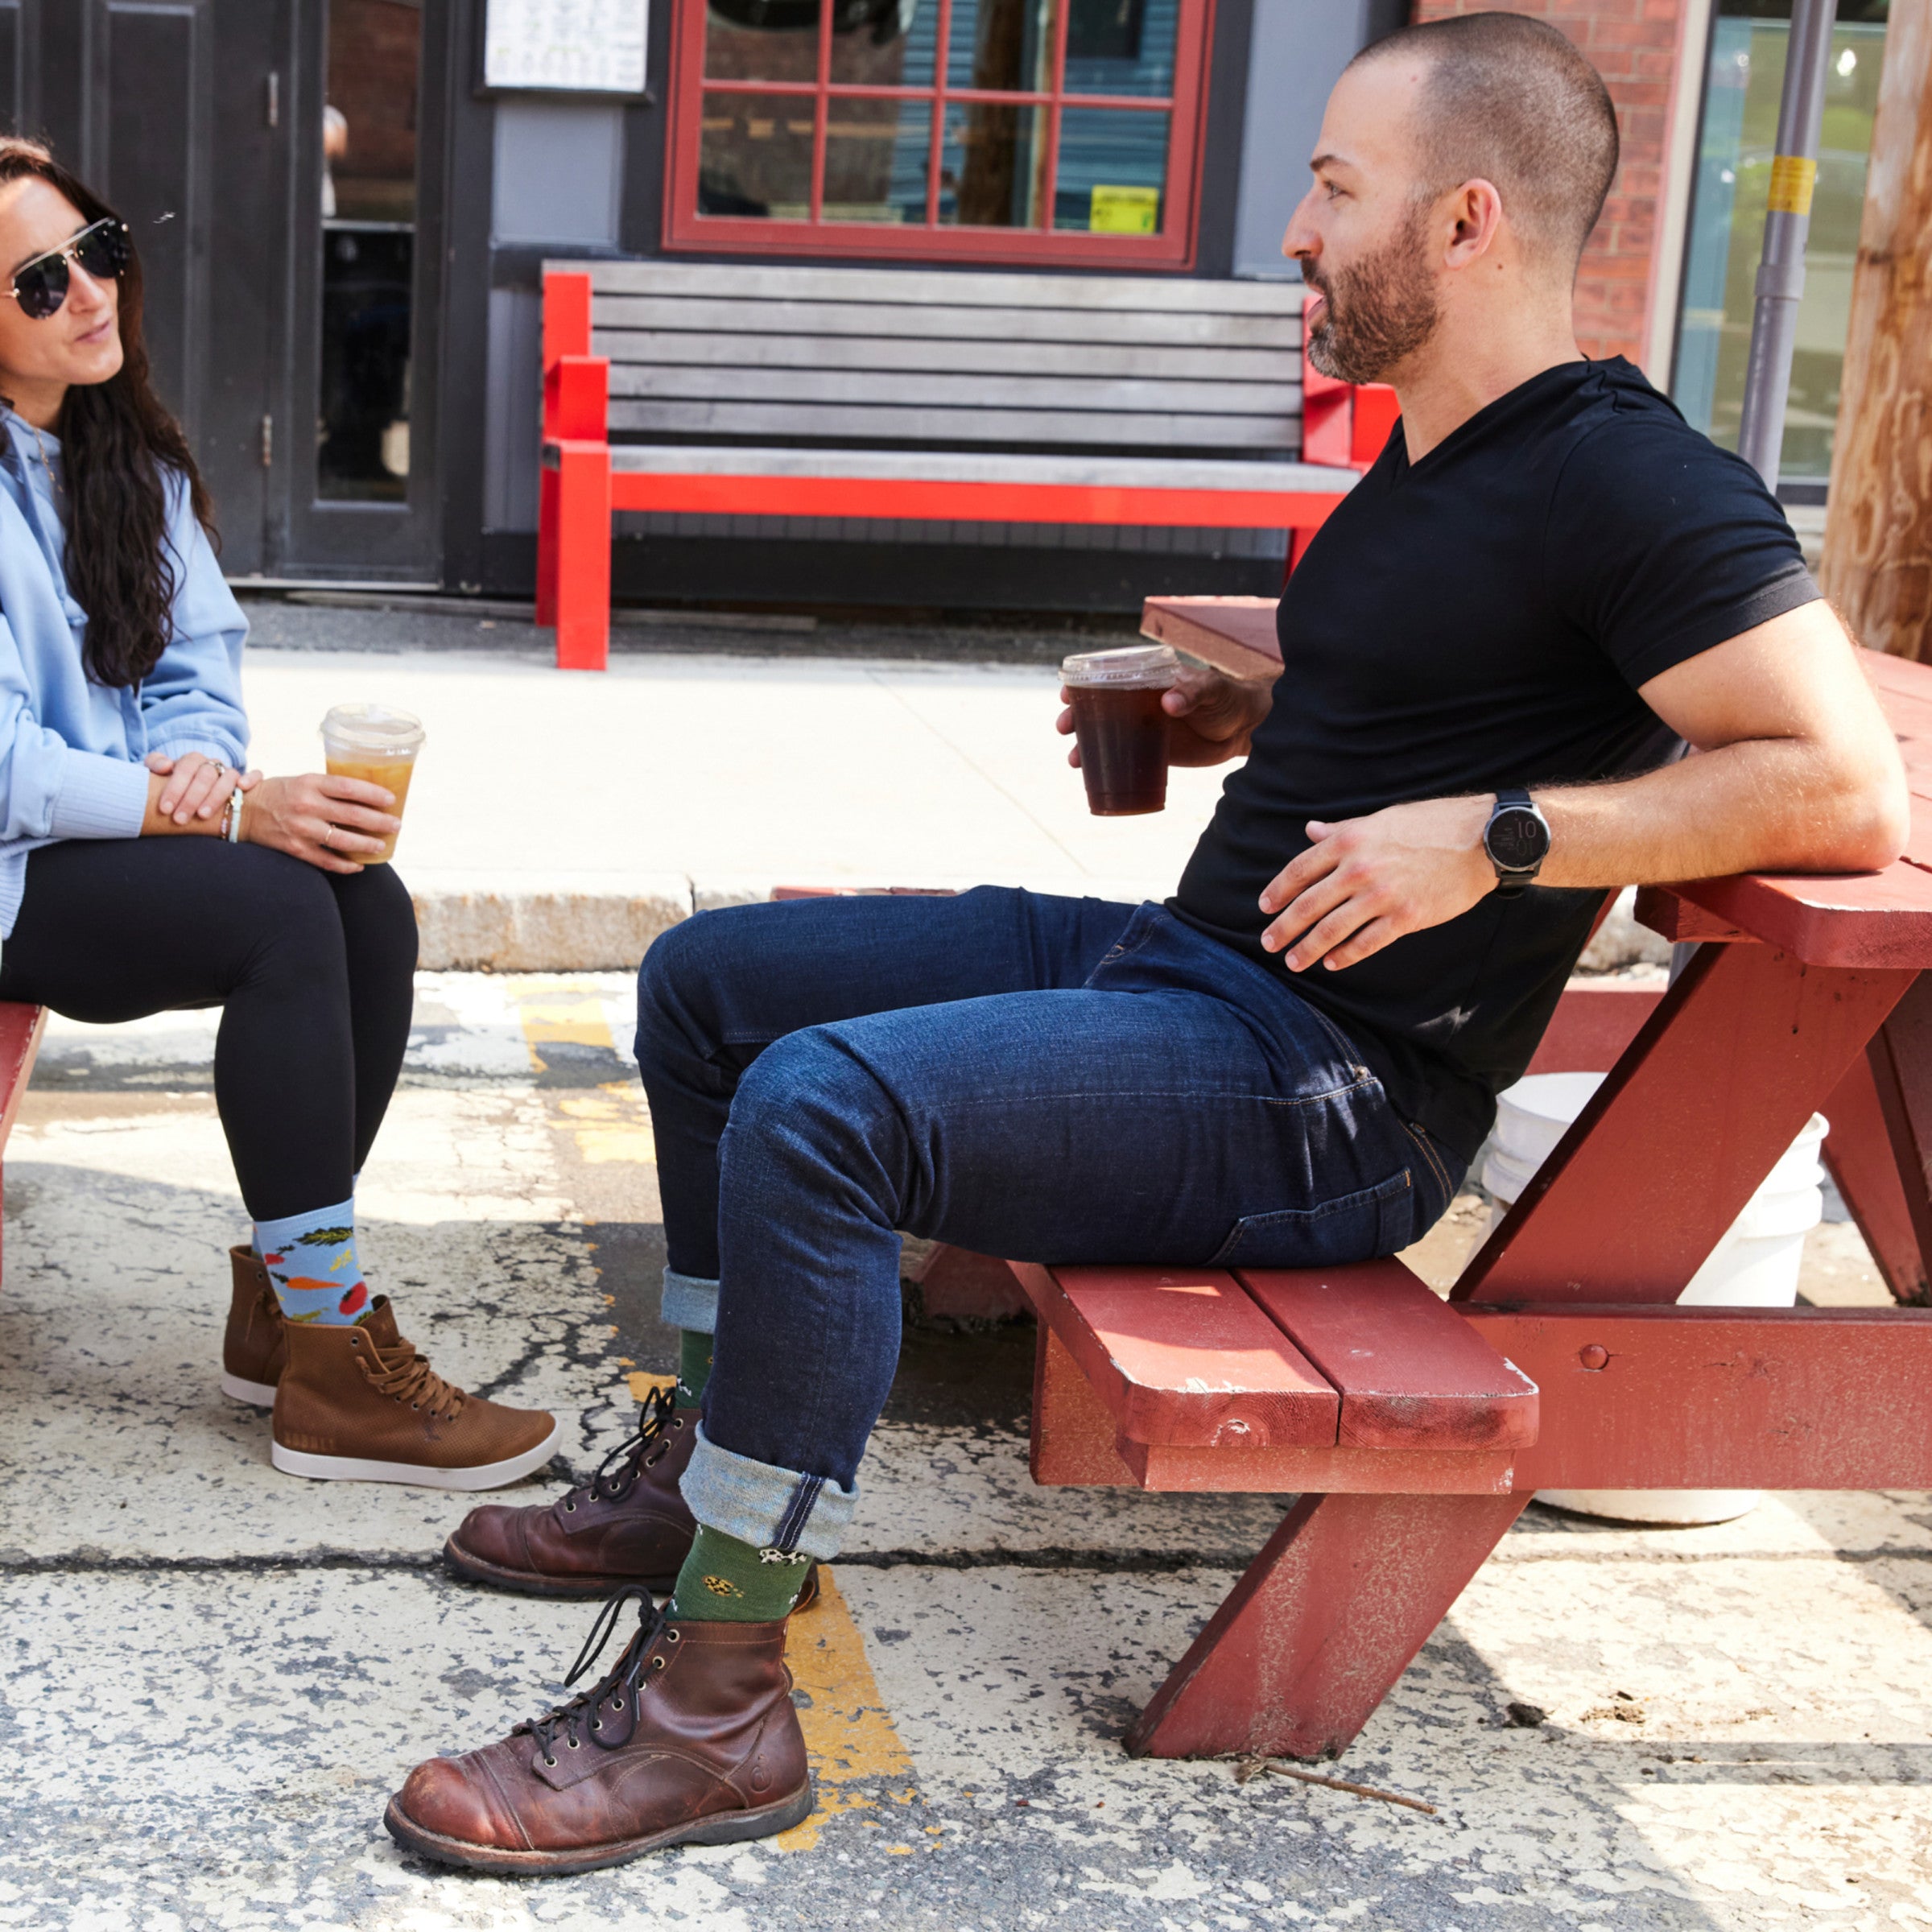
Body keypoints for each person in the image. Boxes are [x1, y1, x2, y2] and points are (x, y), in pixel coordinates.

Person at [388, 11, 1909, 1872]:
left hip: (1335, 1088)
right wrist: (1239, 718)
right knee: (709, 990)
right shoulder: (1436, 455)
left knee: (822, 1110)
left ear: (1466, 221)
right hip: (1193, 972)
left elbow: (1842, 784)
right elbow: (1454, 683)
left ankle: (715, 1703)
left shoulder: (1636, 478)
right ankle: (707, 1467)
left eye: (1335, 189)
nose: (1295, 230)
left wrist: (1505, 839)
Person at [0, 139, 555, 1489]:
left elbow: (197, 663)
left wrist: (202, 766)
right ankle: (336, 1367)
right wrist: (219, 817)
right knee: (279, 911)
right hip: (15, 869)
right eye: (39, 281)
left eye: (99, 251)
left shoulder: (124, 455)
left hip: (106, 840)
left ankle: (284, 1306)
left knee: (366, 900)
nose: (91, 293)